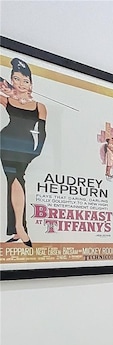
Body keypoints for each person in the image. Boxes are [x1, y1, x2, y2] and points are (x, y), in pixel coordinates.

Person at [0, 57, 47, 247]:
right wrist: (6, 89)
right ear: (11, 80)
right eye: (16, 79)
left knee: (17, 182)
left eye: (25, 80)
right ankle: (20, 227)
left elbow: (42, 132)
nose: (21, 84)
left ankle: (18, 229)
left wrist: (37, 151)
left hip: (26, 147)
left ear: (31, 84)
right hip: (6, 143)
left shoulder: (39, 106)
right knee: (15, 181)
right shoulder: (8, 99)